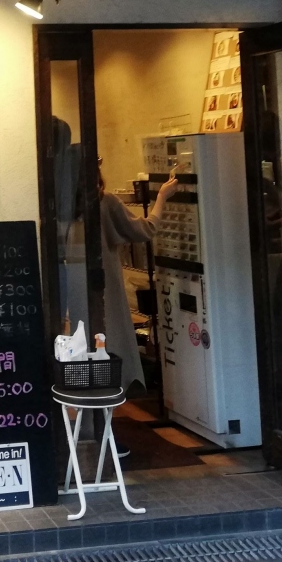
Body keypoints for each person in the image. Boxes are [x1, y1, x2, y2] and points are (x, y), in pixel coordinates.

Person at [99, 165, 179, 396]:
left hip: (76, 291)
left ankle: (94, 398)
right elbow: (146, 229)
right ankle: (112, 394)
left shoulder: (66, 206)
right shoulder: (105, 202)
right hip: (106, 287)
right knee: (113, 340)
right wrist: (162, 196)